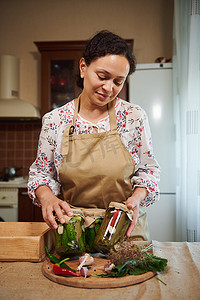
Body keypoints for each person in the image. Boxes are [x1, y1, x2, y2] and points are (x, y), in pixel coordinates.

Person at [28, 30, 160, 240]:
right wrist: (47, 198)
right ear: (83, 68)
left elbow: (148, 171)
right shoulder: (55, 120)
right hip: (72, 233)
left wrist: (136, 198)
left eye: (118, 82)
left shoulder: (134, 117)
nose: (109, 88)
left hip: (123, 228)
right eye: (102, 76)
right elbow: (41, 174)